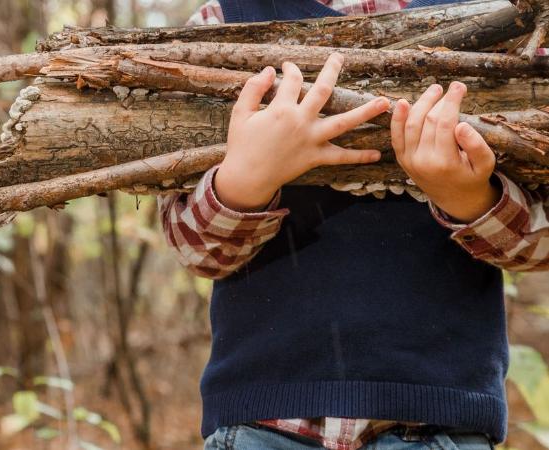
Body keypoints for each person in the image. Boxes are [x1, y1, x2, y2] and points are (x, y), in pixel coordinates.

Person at [159, 1, 549, 449]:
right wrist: (246, 180)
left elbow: (541, 244)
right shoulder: (224, 21)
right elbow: (194, 249)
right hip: (261, 423)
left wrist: (467, 198)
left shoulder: (505, 21)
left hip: (439, 421)